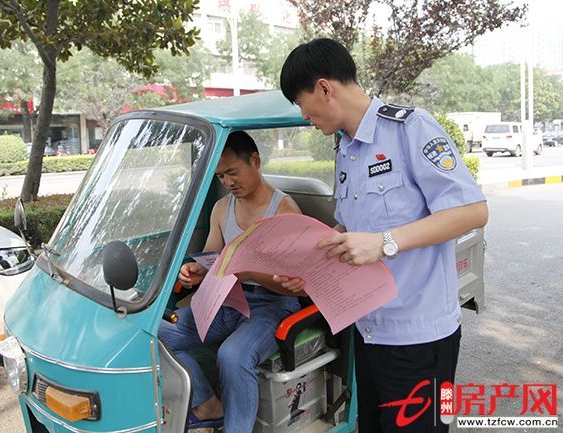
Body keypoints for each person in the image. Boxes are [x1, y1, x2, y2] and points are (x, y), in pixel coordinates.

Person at [277, 38, 489, 433]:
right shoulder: (345, 150)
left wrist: (384, 242)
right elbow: (349, 228)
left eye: (301, 104)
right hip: (370, 331)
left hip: (420, 338)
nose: (305, 117)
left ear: (324, 88)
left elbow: (472, 211)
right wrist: (310, 265)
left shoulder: (411, 129)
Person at [159, 131, 305, 433]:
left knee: (233, 356)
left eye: (233, 172)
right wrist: (196, 271)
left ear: (255, 161)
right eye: (221, 176)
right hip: (226, 300)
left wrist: (248, 274)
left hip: (272, 306)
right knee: (156, 334)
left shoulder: (284, 211)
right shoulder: (222, 208)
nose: (227, 182)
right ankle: (208, 404)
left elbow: (294, 286)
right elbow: (213, 257)